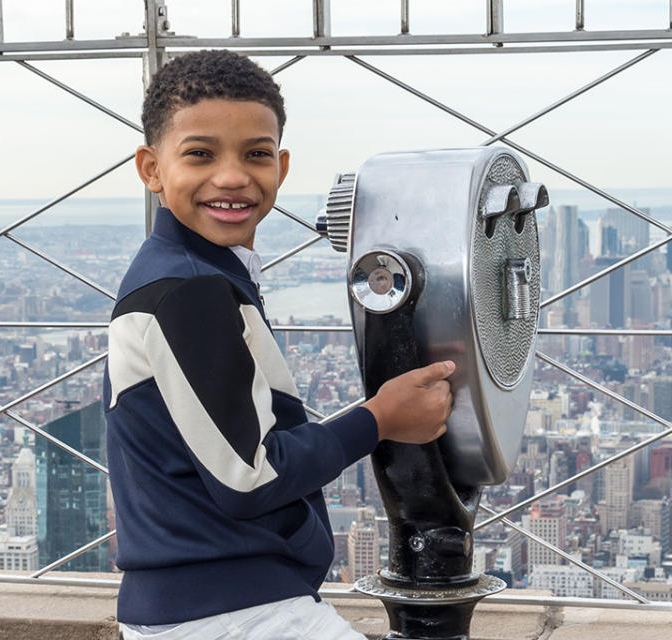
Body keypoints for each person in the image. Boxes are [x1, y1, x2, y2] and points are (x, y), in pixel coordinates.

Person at [104, 49, 455, 639]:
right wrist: (381, 417)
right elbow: (251, 477)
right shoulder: (188, 290)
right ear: (151, 168)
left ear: (282, 167)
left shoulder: (196, 274)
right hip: (229, 615)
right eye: (200, 154)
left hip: (211, 609)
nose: (234, 176)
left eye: (257, 154)